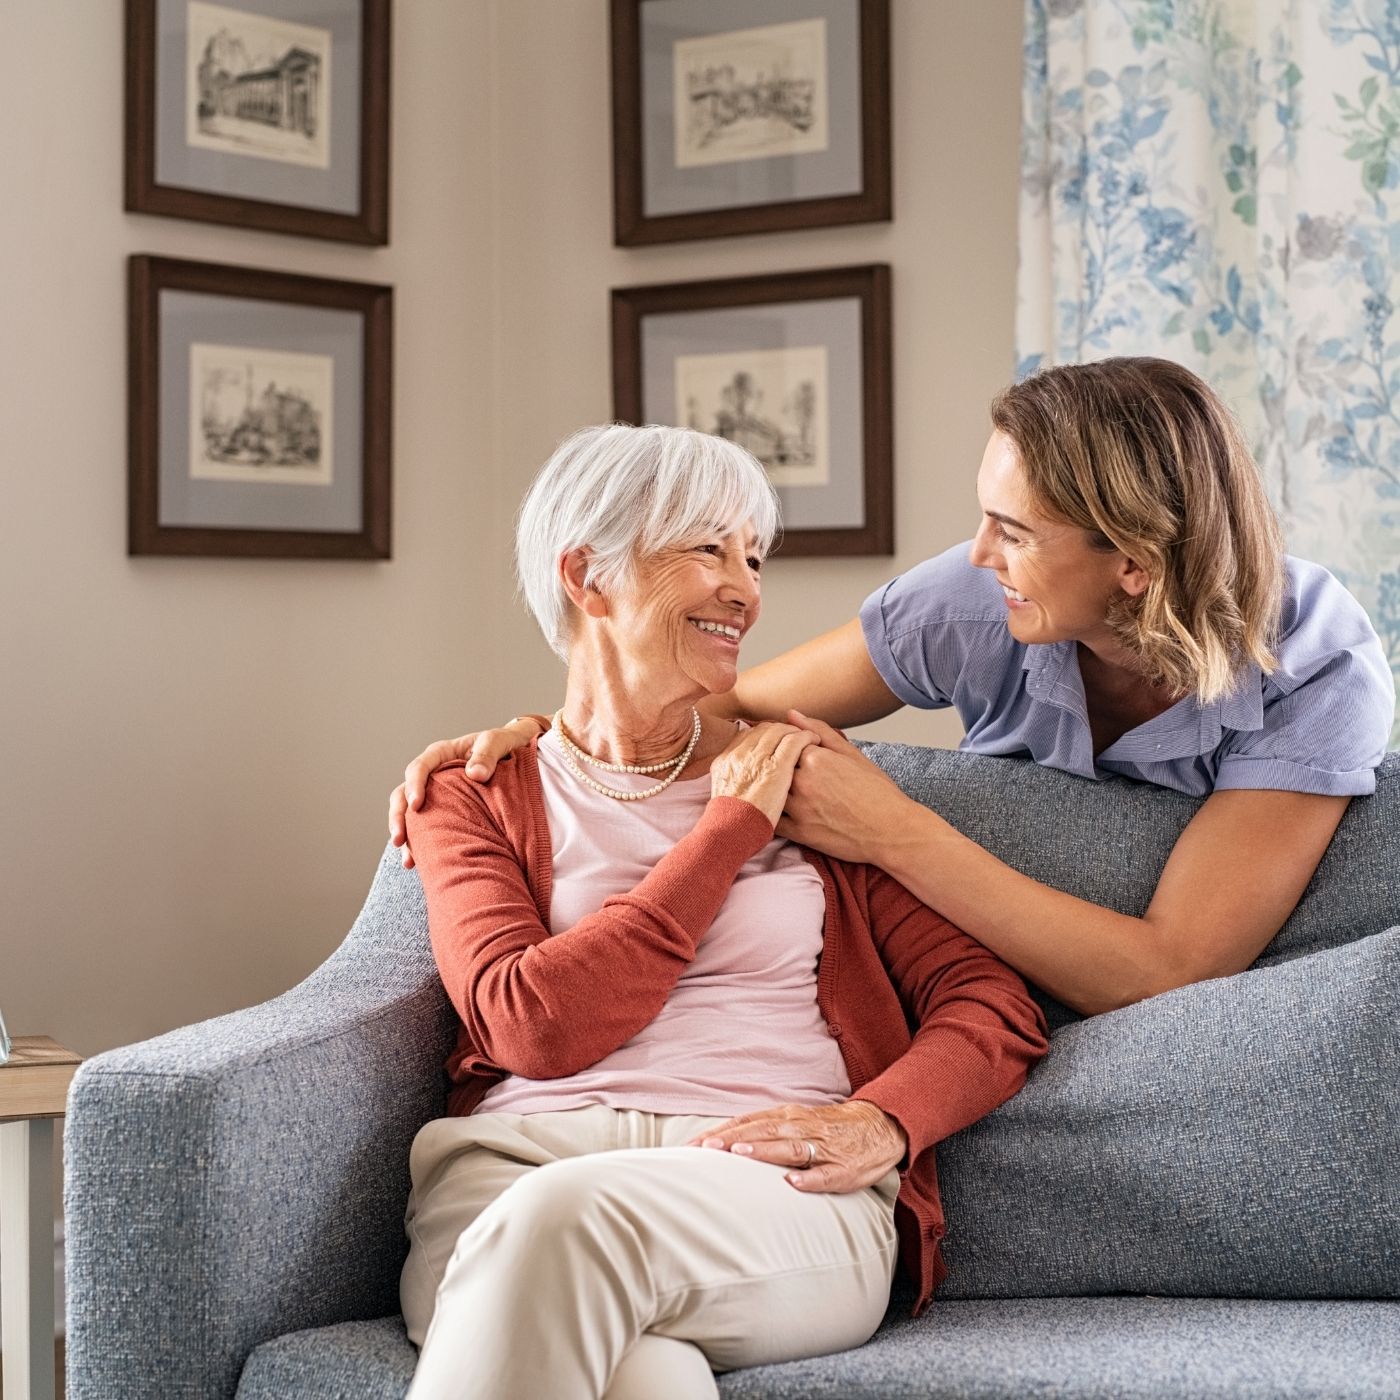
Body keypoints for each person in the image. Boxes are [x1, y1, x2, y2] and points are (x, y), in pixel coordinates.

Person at [391, 358, 1395, 1019]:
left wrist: (892, 829)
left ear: (1131, 562)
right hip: (977, 985)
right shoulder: (968, 600)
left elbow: (1171, 970)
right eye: (982, 514)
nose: (975, 551)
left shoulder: (1313, 663)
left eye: (1014, 530)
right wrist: (546, 736)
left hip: (1184, 1016)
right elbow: (716, 712)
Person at [400, 423, 1049, 1400]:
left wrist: (881, 1118)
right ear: (587, 574)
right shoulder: (477, 788)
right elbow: (531, 1023)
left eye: (752, 556)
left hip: (766, 1185)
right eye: (706, 547)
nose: (744, 588)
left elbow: (989, 1002)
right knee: (644, 1377)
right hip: (510, 1172)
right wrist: (724, 834)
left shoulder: (810, 779)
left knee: (564, 1223)